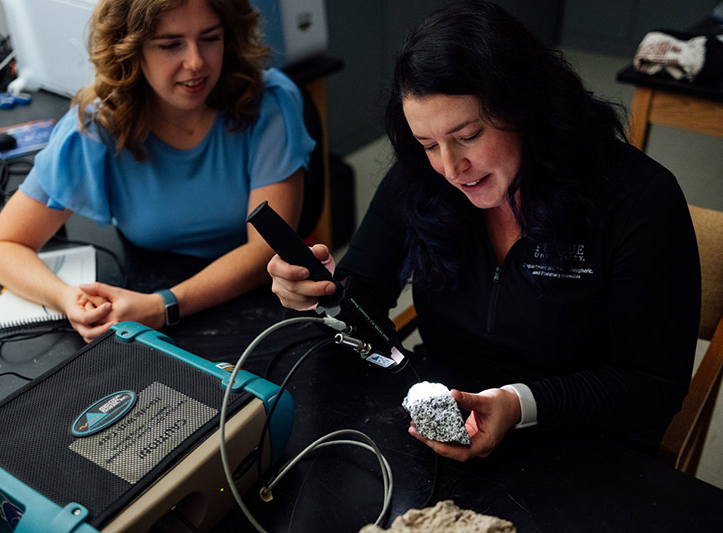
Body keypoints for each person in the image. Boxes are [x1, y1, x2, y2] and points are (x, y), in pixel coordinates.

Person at [267, 1, 701, 460]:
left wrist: (517, 405)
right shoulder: (422, 177)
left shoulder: (639, 200)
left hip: (582, 444)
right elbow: (366, 295)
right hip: (445, 423)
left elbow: (652, 384)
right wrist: (324, 295)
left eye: (469, 136)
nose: (452, 169)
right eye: (428, 144)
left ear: (526, 105)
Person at [0, 0, 314, 342]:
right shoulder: (98, 126)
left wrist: (163, 306)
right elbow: (2, 246)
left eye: (210, 38)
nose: (196, 62)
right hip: (147, 301)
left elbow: (267, 252)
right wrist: (67, 298)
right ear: (130, 49)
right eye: (170, 45)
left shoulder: (269, 102)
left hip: (262, 307)